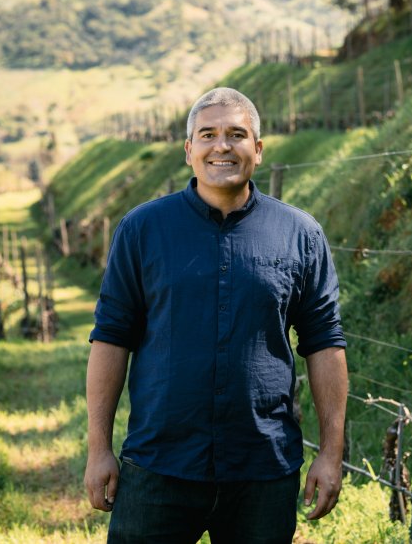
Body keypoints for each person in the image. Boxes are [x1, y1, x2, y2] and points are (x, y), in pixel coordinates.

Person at [84, 87, 348, 544]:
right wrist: (98, 449)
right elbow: (111, 338)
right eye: (207, 135)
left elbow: (325, 344)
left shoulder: (300, 235)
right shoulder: (142, 230)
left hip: (263, 469)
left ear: (258, 149)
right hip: (158, 465)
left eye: (236, 135)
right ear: (189, 150)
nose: (221, 146)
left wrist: (331, 453)